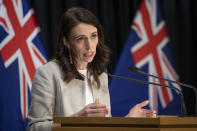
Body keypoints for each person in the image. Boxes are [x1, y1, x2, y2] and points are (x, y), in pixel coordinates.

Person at [27, 7, 156, 131]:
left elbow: (104, 127)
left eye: (93, 36)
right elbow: (34, 127)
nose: (89, 46)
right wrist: (76, 119)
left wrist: (128, 119)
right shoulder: (48, 74)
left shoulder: (100, 76)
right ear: (66, 41)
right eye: (80, 39)